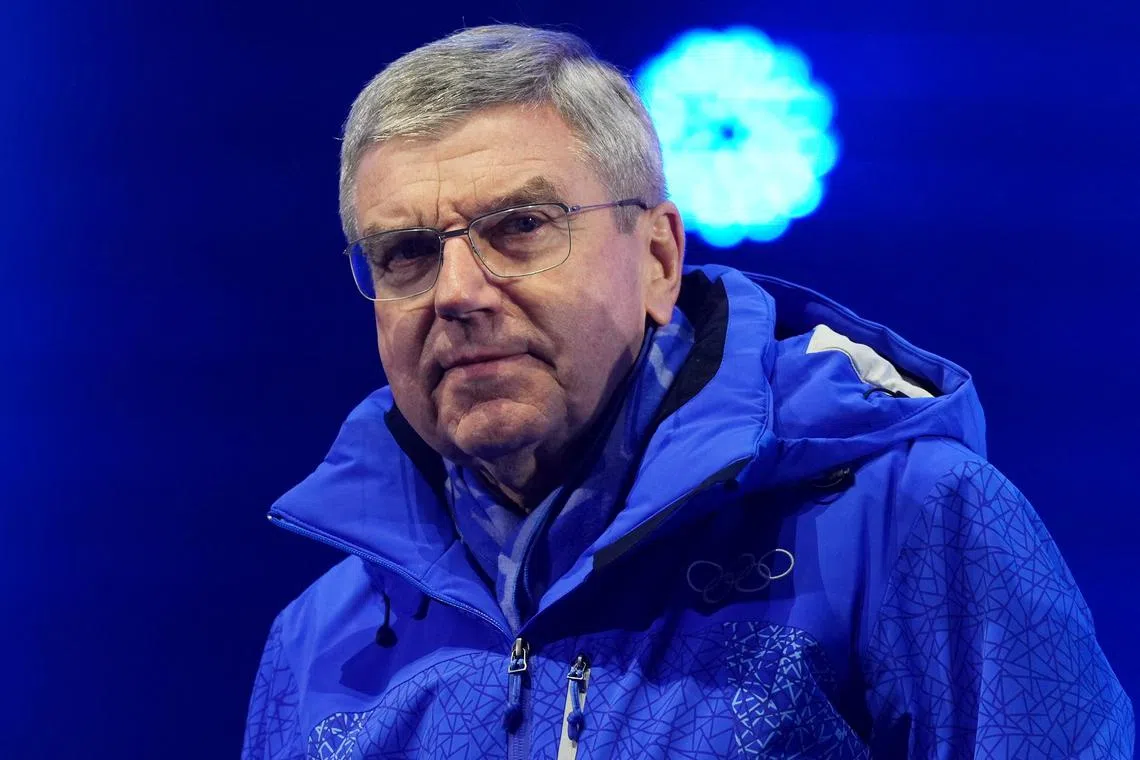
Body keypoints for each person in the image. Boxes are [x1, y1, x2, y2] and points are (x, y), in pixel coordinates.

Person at [241, 24, 1133, 759]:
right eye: (407, 254)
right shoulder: (316, 641)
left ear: (659, 258)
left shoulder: (913, 520)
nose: (458, 291)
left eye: (519, 228)